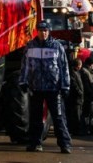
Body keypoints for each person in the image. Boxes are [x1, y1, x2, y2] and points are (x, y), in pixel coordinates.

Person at [19, 21, 72, 153]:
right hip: (36, 88)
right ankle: (35, 143)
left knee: (58, 117)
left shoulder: (57, 46)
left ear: (49, 31)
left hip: (53, 89)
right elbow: (25, 66)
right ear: (37, 31)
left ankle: (65, 144)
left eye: (46, 30)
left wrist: (65, 86)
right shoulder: (30, 46)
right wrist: (23, 82)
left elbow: (64, 67)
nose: (44, 33)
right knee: (35, 118)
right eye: (41, 30)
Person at [67, 57, 85, 135]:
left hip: (78, 97)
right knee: (76, 115)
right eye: (80, 65)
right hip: (75, 98)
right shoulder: (72, 73)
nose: (81, 67)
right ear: (78, 65)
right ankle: (75, 130)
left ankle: (77, 129)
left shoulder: (76, 72)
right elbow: (74, 85)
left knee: (78, 114)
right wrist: (80, 92)